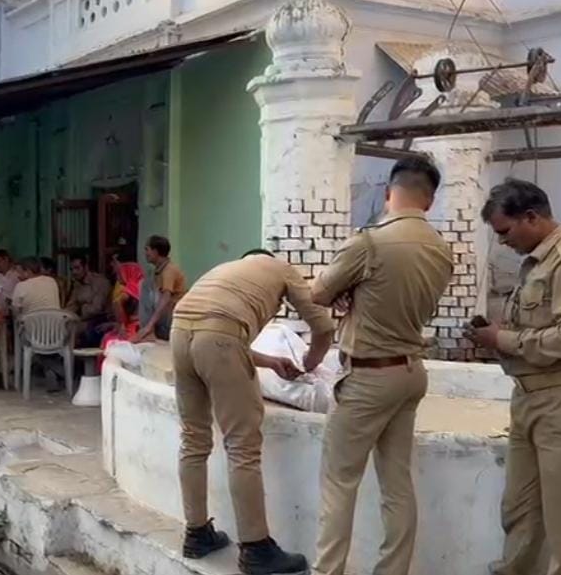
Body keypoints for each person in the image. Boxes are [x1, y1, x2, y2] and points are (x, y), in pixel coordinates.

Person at [310, 158, 453, 575]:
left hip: (368, 375)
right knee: (397, 484)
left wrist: (349, 292)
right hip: (409, 372)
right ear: (429, 200)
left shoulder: (370, 242)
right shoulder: (441, 249)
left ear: (389, 193)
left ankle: (327, 571)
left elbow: (319, 292)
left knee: (339, 482)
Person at [465, 179, 561, 575]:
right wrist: (494, 336)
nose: (502, 241)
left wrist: (503, 339)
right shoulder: (536, 264)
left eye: (505, 231)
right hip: (530, 398)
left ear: (531, 217)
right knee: (520, 510)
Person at [171, 248, 335, 574]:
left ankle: (197, 533)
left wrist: (270, 362)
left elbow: (212, 332)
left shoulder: (226, 271)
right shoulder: (281, 268)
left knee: (193, 439)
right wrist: (310, 363)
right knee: (242, 445)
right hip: (218, 338)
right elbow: (323, 327)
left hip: (179, 333)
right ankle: (256, 548)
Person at [135, 235, 184, 343]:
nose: (145, 253)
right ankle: (148, 331)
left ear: (155, 251)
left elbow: (166, 299)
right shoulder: (158, 271)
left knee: (146, 285)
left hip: (172, 318)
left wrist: (149, 325)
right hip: (164, 318)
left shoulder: (169, 270)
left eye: (147, 249)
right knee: (145, 282)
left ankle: (148, 331)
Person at [65, 255, 111, 347]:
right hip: (82, 319)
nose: (74, 272)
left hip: (100, 319)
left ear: (86, 267)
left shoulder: (100, 282)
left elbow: (97, 308)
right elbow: (72, 305)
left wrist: (80, 309)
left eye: (77, 268)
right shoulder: (77, 284)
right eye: (71, 269)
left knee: (74, 330)